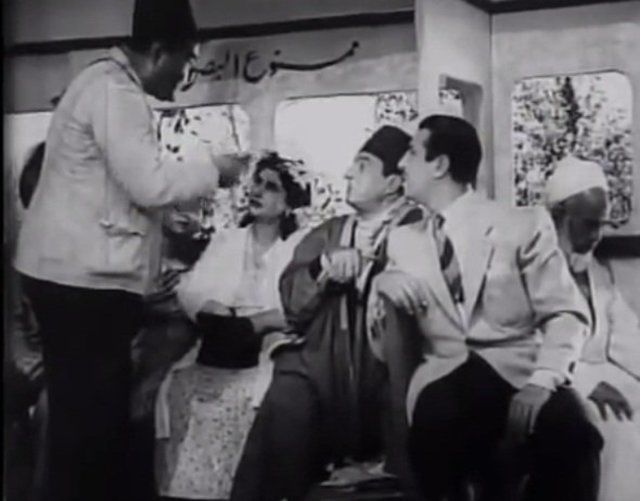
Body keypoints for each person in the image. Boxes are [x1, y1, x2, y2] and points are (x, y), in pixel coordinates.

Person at [12, 1, 247, 499]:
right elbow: (150, 184)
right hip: (80, 288)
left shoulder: (101, 84)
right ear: (158, 51)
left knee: (86, 424)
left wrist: (163, 224)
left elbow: (113, 192)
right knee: (89, 429)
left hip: (72, 280)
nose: (184, 76)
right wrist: (216, 170)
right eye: (183, 61)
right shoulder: (115, 92)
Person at [371, 115, 602, 501]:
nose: (400, 163)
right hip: (444, 377)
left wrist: (542, 381)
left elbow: (566, 313)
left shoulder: (522, 224)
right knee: (434, 429)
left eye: (411, 152)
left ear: (440, 165)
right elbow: (382, 345)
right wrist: (383, 283)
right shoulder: (402, 242)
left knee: (576, 433)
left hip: (519, 373)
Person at [231, 125, 424, 501]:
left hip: (394, 375)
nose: (348, 173)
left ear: (393, 183)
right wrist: (323, 266)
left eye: (363, 165)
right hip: (324, 370)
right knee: (288, 391)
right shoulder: (330, 232)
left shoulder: (421, 229)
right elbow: (292, 303)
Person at [154, 152, 311, 500]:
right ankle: (190, 491)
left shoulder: (298, 247)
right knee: (177, 385)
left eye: (271, 187)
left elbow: (298, 306)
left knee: (253, 397)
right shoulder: (227, 240)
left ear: (288, 203)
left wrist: (259, 321)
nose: (257, 190)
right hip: (219, 341)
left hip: (269, 347)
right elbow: (193, 290)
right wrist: (212, 307)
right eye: (256, 182)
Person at [545, 156, 640, 501]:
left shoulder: (597, 273)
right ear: (558, 216)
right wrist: (586, 385)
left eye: (601, 225)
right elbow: (526, 346)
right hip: (562, 383)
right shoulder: (532, 270)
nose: (596, 236)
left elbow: (625, 335)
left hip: (611, 374)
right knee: (617, 427)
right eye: (588, 225)